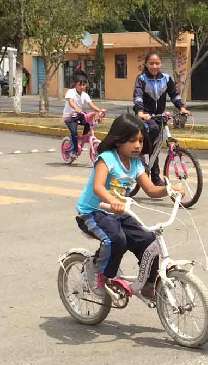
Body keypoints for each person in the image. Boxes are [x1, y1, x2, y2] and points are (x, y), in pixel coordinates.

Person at [75, 113, 183, 299]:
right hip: (93, 212)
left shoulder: (136, 163)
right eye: (132, 141)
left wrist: (170, 189)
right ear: (118, 140)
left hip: (118, 212)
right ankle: (100, 274)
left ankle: (150, 284)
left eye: (141, 141)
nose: (138, 145)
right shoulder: (106, 158)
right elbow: (98, 187)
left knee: (150, 241)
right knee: (117, 239)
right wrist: (112, 200)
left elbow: (150, 189)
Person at [133, 52, 190, 185]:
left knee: (157, 145)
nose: (154, 66)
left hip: (159, 116)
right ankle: (145, 162)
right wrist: (140, 112)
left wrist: (181, 107)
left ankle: (154, 174)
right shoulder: (141, 78)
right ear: (146, 64)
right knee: (153, 136)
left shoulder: (166, 78)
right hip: (146, 116)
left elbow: (174, 94)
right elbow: (138, 96)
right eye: (151, 63)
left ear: (161, 64)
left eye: (157, 63)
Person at [63, 71, 106, 157]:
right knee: (74, 133)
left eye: (84, 85)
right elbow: (71, 102)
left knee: (88, 122)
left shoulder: (85, 95)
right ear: (75, 84)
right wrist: (76, 108)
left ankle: (83, 138)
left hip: (79, 115)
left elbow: (91, 105)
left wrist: (100, 110)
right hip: (69, 117)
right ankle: (74, 151)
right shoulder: (70, 92)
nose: (82, 87)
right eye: (80, 85)